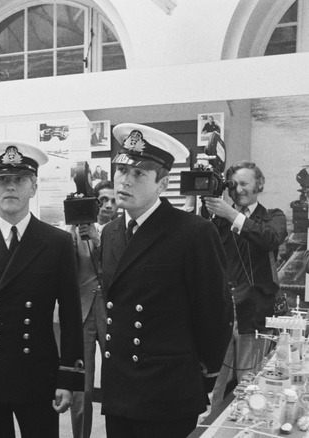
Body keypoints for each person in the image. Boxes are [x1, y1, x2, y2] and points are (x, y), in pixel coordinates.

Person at [99, 123, 232, 438]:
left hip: (167, 390)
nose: (125, 181)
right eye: (121, 172)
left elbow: (214, 313)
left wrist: (206, 378)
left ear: (163, 183)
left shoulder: (193, 232)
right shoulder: (111, 233)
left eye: (139, 174)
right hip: (119, 388)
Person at [0, 140, 85, 438]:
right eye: (2, 180)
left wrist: (68, 378)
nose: (10, 187)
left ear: (34, 187)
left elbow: (73, 318)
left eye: (20, 180)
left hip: (37, 374)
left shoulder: (56, 242)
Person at [206, 161, 287, 412]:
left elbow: (270, 238)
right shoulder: (217, 220)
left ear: (259, 185)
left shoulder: (273, 216)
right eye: (233, 184)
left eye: (244, 183)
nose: (238, 189)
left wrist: (233, 215)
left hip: (254, 312)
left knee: (250, 379)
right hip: (222, 311)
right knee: (215, 381)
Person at [68, 179, 117, 438]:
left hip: (113, 313)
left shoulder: (123, 232)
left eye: (113, 200)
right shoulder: (75, 231)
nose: (108, 205)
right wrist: (73, 234)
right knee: (82, 386)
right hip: (84, 312)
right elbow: (67, 271)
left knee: (117, 381)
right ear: (93, 202)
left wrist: (99, 242)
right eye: (103, 200)